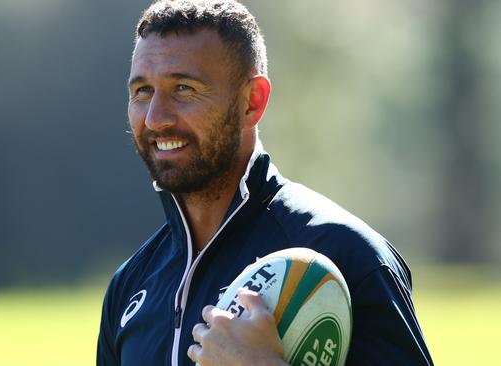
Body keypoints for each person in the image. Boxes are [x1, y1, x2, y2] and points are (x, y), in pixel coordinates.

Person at [97, 1, 434, 365]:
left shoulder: (349, 256)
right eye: (142, 91)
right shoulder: (130, 285)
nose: (156, 118)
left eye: (183, 88)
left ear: (251, 102)